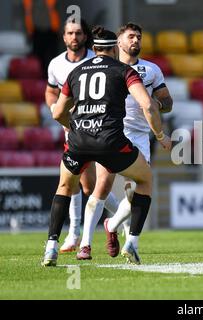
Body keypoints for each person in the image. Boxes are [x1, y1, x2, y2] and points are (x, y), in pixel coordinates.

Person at [41, 26, 172, 267]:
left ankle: (51, 248)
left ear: (93, 49)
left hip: (79, 141)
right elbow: (149, 106)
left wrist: (73, 127)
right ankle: (131, 242)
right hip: (111, 140)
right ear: (114, 48)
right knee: (144, 180)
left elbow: (58, 111)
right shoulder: (124, 71)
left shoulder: (76, 71)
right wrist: (161, 135)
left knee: (64, 187)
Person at [45, 18, 120, 253]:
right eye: (70, 33)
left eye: (78, 33)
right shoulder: (56, 64)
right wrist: (58, 115)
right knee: (79, 184)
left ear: (86, 36)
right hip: (74, 130)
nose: (74, 37)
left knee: (90, 186)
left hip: (100, 128)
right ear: (64, 37)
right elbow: (50, 92)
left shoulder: (96, 59)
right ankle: (75, 234)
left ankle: (117, 220)